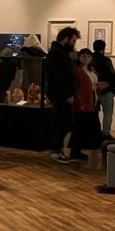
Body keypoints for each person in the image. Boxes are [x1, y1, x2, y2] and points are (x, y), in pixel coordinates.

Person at [46, 27, 81, 163]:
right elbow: (59, 77)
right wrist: (68, 94)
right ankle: (55, 150)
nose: (73, 43)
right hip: (61, 95)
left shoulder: (61, 53)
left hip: (64, 95)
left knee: (65, 122)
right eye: (72, 40)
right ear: (65, 39)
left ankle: (58, 149)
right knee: (62, 122)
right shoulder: (56, 54)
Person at [69, 48, 102, 156]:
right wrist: (79, 101)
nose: (86, 58)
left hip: (93, 99)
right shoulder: (77, 70)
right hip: (83, 99)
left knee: (89, 124)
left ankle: (87, 146)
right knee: (80, 125)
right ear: (79, 57)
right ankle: (75, 149)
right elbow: (76, 87)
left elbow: (94, 84)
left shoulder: (92, 69)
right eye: (83, 56)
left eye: (89, 56)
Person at [90, 39, 115, 137]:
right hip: (106, 89)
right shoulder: (106, 60)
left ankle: (94, 132)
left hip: (92, 90)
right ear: (103, 48)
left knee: (93, 112)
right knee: (108, 113)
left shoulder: (90, 60)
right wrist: (114, 89)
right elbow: (112, 75)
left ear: (93, 48)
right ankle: (106, 133)